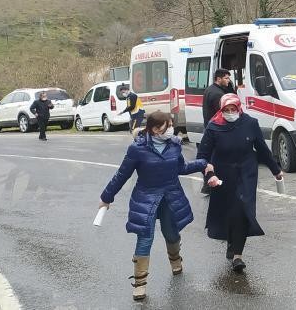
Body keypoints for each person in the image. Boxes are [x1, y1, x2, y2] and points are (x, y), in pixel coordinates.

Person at [98, 111, 209, 301]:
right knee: (145, 238)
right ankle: (140, 284)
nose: (172, 129)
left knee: (171, 233)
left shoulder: (174, 145)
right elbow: (121, 175)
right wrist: (106, 197)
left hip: (170, 198)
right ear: (156, 129)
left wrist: (203, 164)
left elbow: (181, 168)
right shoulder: (137, 149)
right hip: (146, 200)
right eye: (169, 125)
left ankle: (175, 259)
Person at [200, 94, 284, 272]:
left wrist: (275, 169)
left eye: (233, 109)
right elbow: (203, 156)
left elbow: (262, 149)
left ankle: (238, 255)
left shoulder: (250, 123)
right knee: (229, 213)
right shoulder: (214, 126)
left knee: (243, 211)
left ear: (239, 108)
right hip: (222, 175)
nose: (230, 113)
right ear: (221, 110)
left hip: (246, 173)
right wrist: (210, 176)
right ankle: (231, 242)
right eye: (226, 110)